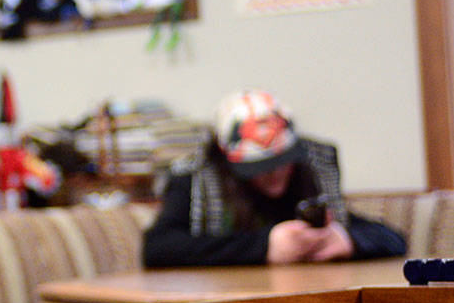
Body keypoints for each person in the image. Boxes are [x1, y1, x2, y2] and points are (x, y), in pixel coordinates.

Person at [142, 90, 405, 267]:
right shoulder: (194, 178)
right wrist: (265, 246)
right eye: (261, 166)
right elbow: (158, 249)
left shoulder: (307, 173)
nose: (276, 172)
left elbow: (394, 237)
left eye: (282, 162)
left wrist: (348, 240)